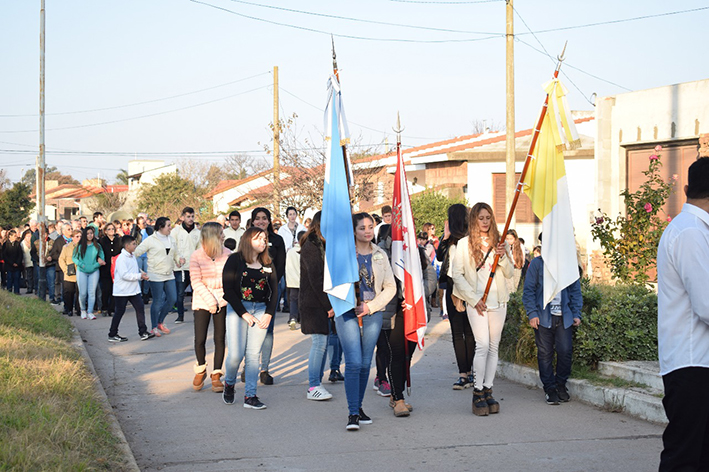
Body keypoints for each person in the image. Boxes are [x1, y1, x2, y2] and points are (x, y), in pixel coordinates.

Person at [657, 157, 709, 471]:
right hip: (692, 363)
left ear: (688, 189)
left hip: (694, 362)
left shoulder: (690, 228)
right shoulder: (691, 233)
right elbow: (706, 304)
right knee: (685, 459)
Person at [450, 202, 513, 416]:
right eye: (481, 218)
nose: (485, 222)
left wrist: (502, 256)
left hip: (498, 301)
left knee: (494, 347)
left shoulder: (499, 242)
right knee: (482, 345)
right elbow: (457, 275)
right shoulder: (464, 244)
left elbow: (510, 273)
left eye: (488, 218)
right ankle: (477, 392)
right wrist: (473, 298)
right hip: (477, 302)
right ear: (473, 219)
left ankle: (488, 388)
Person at [338, 212, 396, 431]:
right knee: (353, 362)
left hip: (372, 311)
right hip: (348, 312)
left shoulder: (380, 254)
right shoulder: (343, 254)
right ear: (353, 231)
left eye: (370, 226)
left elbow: (390, 286)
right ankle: (352, 413)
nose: (367, 231)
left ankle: (359, 407)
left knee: (364, 363)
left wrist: (371, 306)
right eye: (362, 228)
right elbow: (331, 281)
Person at [221, 226, 278, 410]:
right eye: (258, 238)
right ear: (248, 240)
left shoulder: (268, 262)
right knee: (236, 355)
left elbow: (275, 291)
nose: (263, 241)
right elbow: (228, 290)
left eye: (264, 238)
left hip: (261, 308)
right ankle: (229, 383)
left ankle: (250, 396)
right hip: (238, 309)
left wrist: (269, 313)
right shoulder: (234, 260)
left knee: (253, 355)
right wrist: (243, 313)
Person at [522, 252, 582, 404]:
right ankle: (550, 388)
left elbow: (575, 290)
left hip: (564, 317)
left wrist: (576, 313)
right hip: (543, 317)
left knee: (565, 351)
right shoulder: (537, 264)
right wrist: (532, 313)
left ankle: (561, 385)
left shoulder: (568, 264)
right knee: (545, 353)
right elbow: (528, 290)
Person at [436, 203, 475, 389]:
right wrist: (445, 238)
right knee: (459, 332)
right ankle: (464, 373)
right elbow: (439, 257)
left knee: (467, 332)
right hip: (452, 287)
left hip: (467, 289)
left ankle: (468, 373)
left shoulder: (470, 240)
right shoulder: (449, 241)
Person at [189, 222, 230, 393]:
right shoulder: (196, 256)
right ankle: (200, 367)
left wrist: (218, 296)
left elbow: (230, 279)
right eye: (221, 233)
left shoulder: (228, 254)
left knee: (219, 338)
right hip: (202, 300)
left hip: (223, 300)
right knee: (200, 339)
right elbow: (196, 281)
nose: (224, 236)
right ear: (213, 236)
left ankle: (216, 374)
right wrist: (210, 300)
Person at [298, 212, 335, 401]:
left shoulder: (322, 244)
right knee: (319, 343)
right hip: (313, 303)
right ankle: (313, 385)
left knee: (323, 342)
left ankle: (317, 382)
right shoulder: (311, 245)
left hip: (320, 301)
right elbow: (316, 277)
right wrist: (328, 304)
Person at [250, 207, 286, 385]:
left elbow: (280, 266)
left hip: (270, 290)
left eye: (264, 218)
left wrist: (271, 285)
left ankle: (264, 369)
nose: (261, 222)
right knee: (249, 330)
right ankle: (248, 367)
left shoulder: (277, 240)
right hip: (249, 291)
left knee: (268, 331)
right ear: (252, 221)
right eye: (257, 219)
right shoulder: (246, 240)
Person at [134, 217, 180, 337]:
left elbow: (175, 253)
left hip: (169, 273)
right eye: (168, 225)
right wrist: (140, 271)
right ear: (161, 227)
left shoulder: (171, 239)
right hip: (155, 275)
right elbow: (135, 253)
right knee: (158, 301)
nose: (170, 228)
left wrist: (179, 260)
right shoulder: (150, 240)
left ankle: (160, 322)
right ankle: (154, 327)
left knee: (172, 299)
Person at [108, 235, 155, 342]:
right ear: (127, 245)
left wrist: (141, 273)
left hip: (133, 289)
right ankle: (112, 334)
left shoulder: (132, 255)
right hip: (122, 290)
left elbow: (134, 268)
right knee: (119, 312)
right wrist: (139, 276)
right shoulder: (121, 258)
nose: (135, 246)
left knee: (140, 309)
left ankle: (143, 332)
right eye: (133, 244)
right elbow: (124, 275)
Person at [172, 207, 201, 324]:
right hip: (180, 267)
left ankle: (197, 316)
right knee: (180, 292)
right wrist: (178, 259)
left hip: (193, 267)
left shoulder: (198, 233)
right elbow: (173, 247)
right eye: (188, 216)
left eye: (192, 216)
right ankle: (180, 315)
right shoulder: (176, 232)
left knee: (196, 292)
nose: (190, 219)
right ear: (182, 217)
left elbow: (199, 249)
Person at [72, 227, 106, 320]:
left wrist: (97, 264)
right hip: (82, 271)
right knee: (83, 293)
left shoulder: (97, 246)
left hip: (94, 271)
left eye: (91, 233)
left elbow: (102, 257)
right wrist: (81, 265)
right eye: (87, 233)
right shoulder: (79, 246)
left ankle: (90, 311)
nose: (90, 235)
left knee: (92, 292)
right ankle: (83, 309)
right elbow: (74, 258)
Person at [99, 223, 122, 317]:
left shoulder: (119, 240)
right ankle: (104, 307)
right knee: (106, 289)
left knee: (114, 289)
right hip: (105, 267)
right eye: (109, 229)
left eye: (113, 229)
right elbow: (98, 252)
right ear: (105, 231)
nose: (111, 230)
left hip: (116, 268)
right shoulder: (102, 241)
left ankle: (112, 308)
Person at [285, 230, 306, 330]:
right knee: (303, 300)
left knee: (293, 300)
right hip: (303, 280)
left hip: (292, 280)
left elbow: (287, 266)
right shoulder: (305, 250)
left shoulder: (291, 251)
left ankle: (292, 318)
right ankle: (302, 319)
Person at [58, 230, 82, 316]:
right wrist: (65, 269)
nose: (79, 238)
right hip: (69, 274)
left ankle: (79, 309)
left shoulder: (83, 247)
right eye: (77, 236)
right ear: (72, 237)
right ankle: (68, 309)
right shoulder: (66, 247)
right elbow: (61, 259)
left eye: (80, 236)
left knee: (80, 293)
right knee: (68, 292)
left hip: (80, 273)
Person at [2, 230, 23, 294]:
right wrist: (12, 263)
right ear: (10, 236)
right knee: (9, 278)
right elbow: (5, 255)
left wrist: (17, 262)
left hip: (17, 265)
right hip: (9, 265)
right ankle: (9, 291)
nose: (15, 237)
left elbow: (20, 254)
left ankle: (17, 291)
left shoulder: (17, 244)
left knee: (17, 278)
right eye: (14, 236)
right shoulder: (6, 244)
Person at [20, 229, 34, 294]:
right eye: (27, 236)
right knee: (29, 276)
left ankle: (34, 287)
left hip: (33, 261)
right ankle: (29, 288)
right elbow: (21, 253)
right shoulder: (22, 243)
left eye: (30, 236)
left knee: (35, 275)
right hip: (27, 262)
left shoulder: (33, 242)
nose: (29, 237)